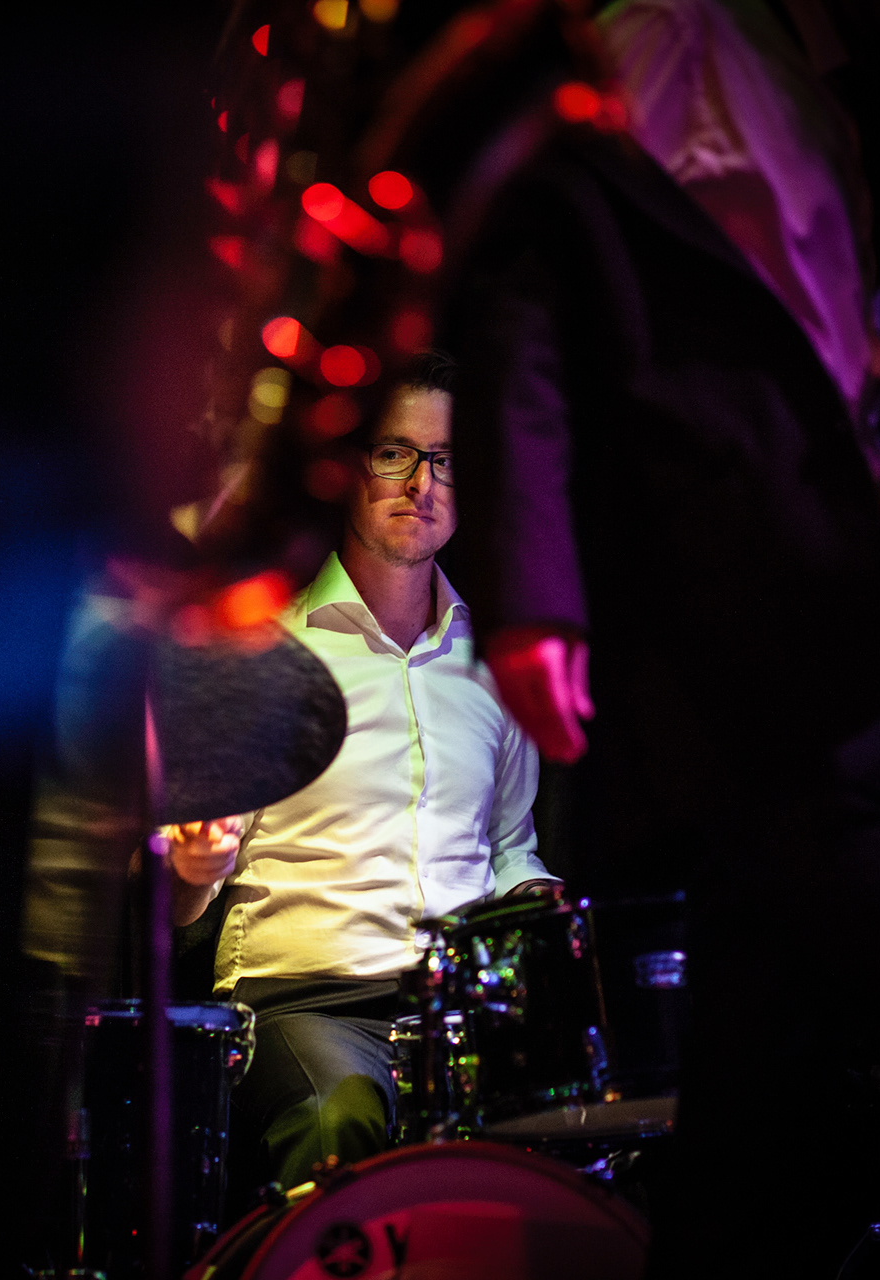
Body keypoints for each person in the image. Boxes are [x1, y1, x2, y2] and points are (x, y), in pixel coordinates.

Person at [443, 1, 880, 1272]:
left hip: (821, 578)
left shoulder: (780, 49)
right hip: (754, 602)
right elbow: (539, 304)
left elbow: (787, 300)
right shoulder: (672, 29)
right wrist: (536, 596)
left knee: (766, 1069)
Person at [163, 354, 558, 1192]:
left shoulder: (493, 660)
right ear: (349, 468)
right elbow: (176, 893)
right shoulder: (264, 646)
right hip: (303, 1001)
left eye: (444, 460)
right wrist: (193, 869)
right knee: (340, 1121)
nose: (422, 483)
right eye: (395, 454)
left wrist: (542, 900)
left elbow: (508, 849)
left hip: (459, 1012)